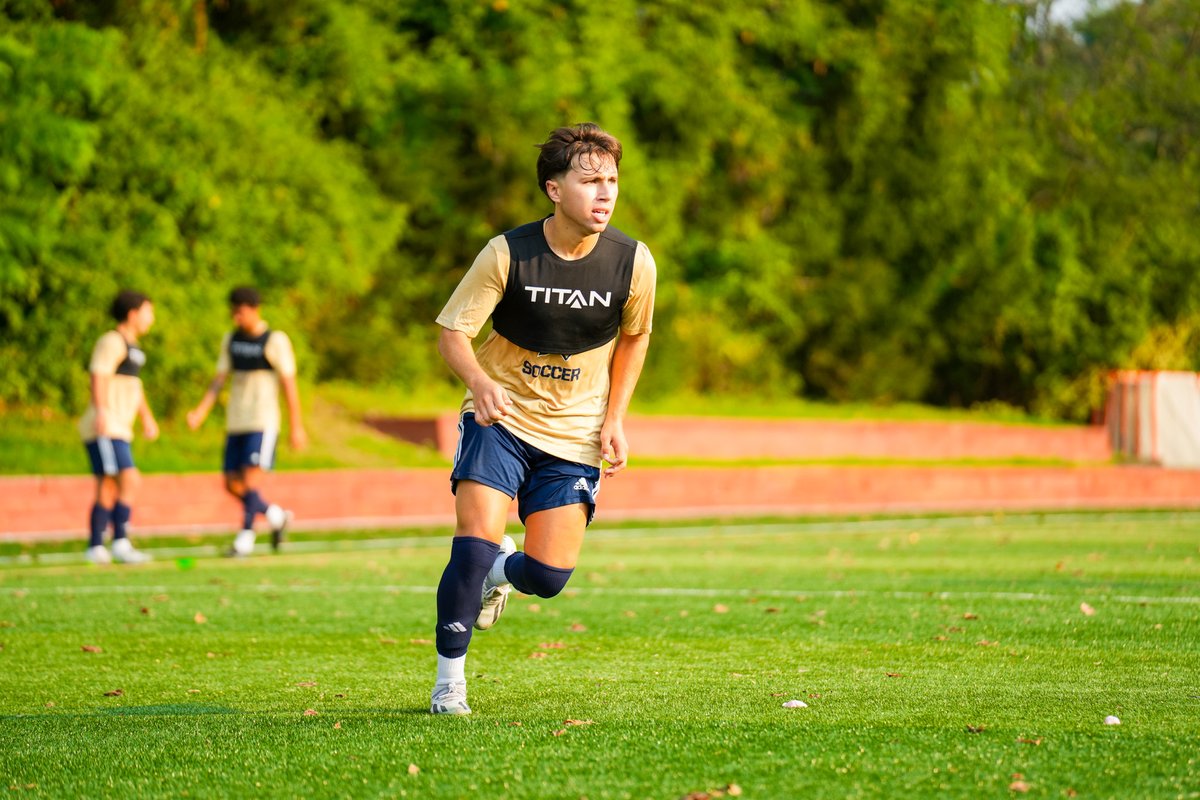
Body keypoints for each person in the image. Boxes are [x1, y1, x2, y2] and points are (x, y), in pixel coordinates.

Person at [429, 122, 657, 715]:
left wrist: (616, 417)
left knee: (550, 576)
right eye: (590, 181)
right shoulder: (508, 253)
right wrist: (479, 383)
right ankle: (449, 681)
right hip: (499, 417)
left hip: (575, 432)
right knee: (472, 544)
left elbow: (635, 338)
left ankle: (500, 573)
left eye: (612, 181)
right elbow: (453, 332)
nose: (604, 193)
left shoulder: (633, 262)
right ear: (554, 190)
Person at [186, 287, 306, 556]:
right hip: (236, 420)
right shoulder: (231, 340)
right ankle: (276, 516)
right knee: (231, 483)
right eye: (233, 312)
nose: (236, 317)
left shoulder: (274, 340)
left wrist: (296, 426)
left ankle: (245, 538)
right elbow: (219, 379)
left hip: (262, 419)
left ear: (255, 309)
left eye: (240, 312)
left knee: (251, 480)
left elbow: (289, 384)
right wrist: (201, 411)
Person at [79, 290, 160, 564]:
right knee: (127, 479)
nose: (151, 318)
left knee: (110, 485)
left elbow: (134, 385)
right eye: (148, 312)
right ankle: (116, 542)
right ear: (133, 313)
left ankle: (100, 545)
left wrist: (146, 417)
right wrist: (101, 410)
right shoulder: (111, 341)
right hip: (106, 424)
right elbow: (98, 375)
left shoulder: (134, 346)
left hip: (121, 426)